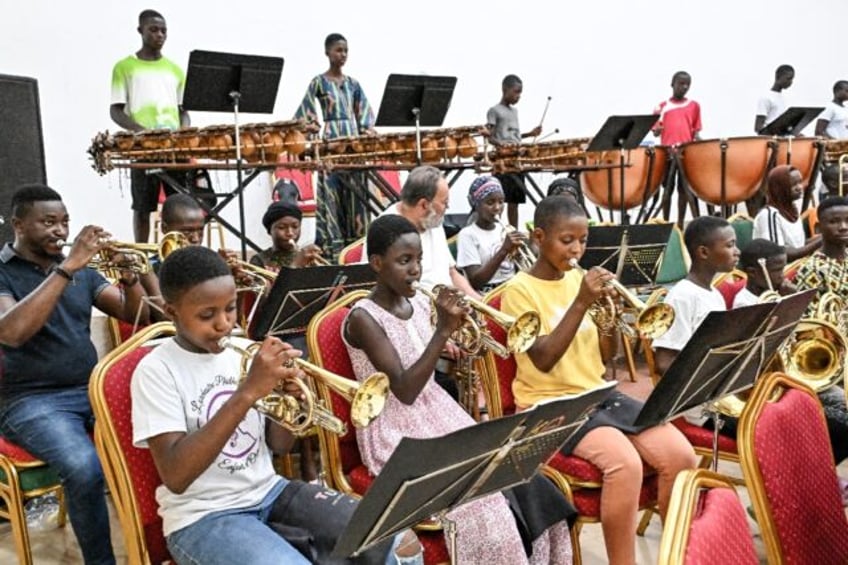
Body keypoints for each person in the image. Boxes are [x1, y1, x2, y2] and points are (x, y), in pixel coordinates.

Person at [131, 246, 422, 565]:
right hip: (203, 517)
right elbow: (176, 475)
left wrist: (290, 400)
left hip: (270, 491)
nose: (224, 324)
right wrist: (247, 393)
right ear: (171, 312)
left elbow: (279, 446)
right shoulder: (155, 371)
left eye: (229, 308)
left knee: (398, 542)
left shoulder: (244, 351)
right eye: (206, 315)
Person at [344, 215, 574, 564]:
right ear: (377, 264)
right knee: (483, 502)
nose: (415, 270)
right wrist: (442, 332)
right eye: (404, 261)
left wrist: (463, 338)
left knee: (518, 473)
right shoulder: (363, 317)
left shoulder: (418, 302)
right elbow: (404, 390)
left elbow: (436, 360)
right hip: (396, 430)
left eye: (419, 259)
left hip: (437, 412)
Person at [501, 195, 697, 565]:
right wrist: (581, 302)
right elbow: (543, 359)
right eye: (566, 240)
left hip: (596, 393)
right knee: (625, 464)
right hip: (549, 405)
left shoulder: (577, 279)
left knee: (681, 454)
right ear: (539, 237)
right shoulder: (518, 291)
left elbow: (605, 358)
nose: (577, 249)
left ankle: (678, 554)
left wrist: (609, 314)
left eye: (583, 240)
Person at [0, 184, 151, 565]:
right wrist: (66, 269)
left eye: (65, 222)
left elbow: (134, 315)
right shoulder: (7, 272)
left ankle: (153, 547)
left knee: (158, 435)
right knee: (84, 468)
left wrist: (130, 278)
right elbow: (12, 332)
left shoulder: (78, 270)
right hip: (28, 401)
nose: (61, 232)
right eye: (48, 222)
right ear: (18, 225)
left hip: (91, 390)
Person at [110, 9, 190, 244]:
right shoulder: (125, 67)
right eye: (153, 29)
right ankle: (143, 254)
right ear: (140, 31)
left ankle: (179, 252)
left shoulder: (175, 70)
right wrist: (141, 132)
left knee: (180, 205)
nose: (159, 34)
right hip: (143, 147)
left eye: (163, 30)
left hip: (174, 148)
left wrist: (183, 133)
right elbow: (116, 110)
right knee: (143, 206)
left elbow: (183, 110)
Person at [294, 33, 375, 262]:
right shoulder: (318, 82)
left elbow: (365, 114)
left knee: (356, 197)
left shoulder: (353, 84)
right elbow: (305, 113)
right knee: (332, 196)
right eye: (338, 50)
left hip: (353, 144)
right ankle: (334, 253)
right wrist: (309, 127)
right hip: (331, 140)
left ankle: (358, 249)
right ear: (327, 52)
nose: (343, 55)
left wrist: (366, 130)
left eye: (346, 51)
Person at [362, 165, 479, 299]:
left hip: (447, 306)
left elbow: (451, 273)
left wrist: (480, 303)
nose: (448, 207)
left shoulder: (432, 220)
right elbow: (378, 291)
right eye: (444, 202)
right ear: (424, 204)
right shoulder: (384, 230)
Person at [652, 216, 739, 375]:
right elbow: (664, 362)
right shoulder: (682, 297)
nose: (737, 252)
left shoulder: (714, 293)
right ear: (704, 252)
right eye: (730, 245)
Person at [486, 74, 542, 229]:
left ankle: (514, 232)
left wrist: (530, 134)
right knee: (500, 199)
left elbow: (514, 137)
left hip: (517, 160)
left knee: (515, 202)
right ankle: (498, 231)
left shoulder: (515, 112)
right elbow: (489, 137)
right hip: (502, 161)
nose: (518, 96)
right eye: (516, 92)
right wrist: (502, 146)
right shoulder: (494, 111)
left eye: (520, 93)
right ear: (505, 89)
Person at [456, 176, 526, 292]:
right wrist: (504, 250)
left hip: (512, 289)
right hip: (487, 295)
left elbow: (519, 271)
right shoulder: (467, 235)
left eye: (501, 202)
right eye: (490, 202)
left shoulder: (506, 230)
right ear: (476, 204)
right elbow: (475, 282)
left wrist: (519, 256)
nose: (497, 207)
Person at [653, 71, 702, 224]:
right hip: (667, 153)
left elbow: (695, 131)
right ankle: (666, 221)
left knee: (684, 189)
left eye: (687, 84)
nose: (684, 87)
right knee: (667, 189)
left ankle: (680, 222)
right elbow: (655, 131)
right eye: (681, 83)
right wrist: (657, 130)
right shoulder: (662, 107)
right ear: (672, 84)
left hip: (685, 153)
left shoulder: (694, 106)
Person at [752, 164, 822, 261]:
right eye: (793, 185)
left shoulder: (792, 210)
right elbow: (778, 254)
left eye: (800, 182)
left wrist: (827, 236)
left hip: (797, 264)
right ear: (779, 188)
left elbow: (798, 245)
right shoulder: (769, 215)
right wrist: (822, 240)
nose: (799, 187)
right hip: (777, 270)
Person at [250, 201, 324, 272]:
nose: (290, 233)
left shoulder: (308, 257)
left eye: (295, 227)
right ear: (270, 231)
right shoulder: (259, 260)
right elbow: (261, 285)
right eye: (282, 227)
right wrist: (296, 265)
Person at [732, 239, 791, 308]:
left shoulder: (781, 291)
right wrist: (787, 302)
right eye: (776, 270)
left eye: (782, 269)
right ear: (752, 272)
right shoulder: (743, 304)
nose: (782, 276)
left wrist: (795, 297)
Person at [754, 64, 795, 133]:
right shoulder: (766, 97)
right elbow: (758, 127)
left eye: (792, 79)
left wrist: (794, 132)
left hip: (782, 138)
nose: (791, 82)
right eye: (788, 78)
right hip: (770, 140)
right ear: (778, 77)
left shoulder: (784, 99)